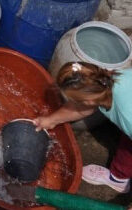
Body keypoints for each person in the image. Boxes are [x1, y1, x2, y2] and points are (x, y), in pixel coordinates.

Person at [34, 62, 132, 194]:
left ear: (89, 101)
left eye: (76, 100)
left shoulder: (127, 117)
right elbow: (80, 108)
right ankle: (119, 177)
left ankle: (121, 181)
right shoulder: (107, 78)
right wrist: (50, 120)